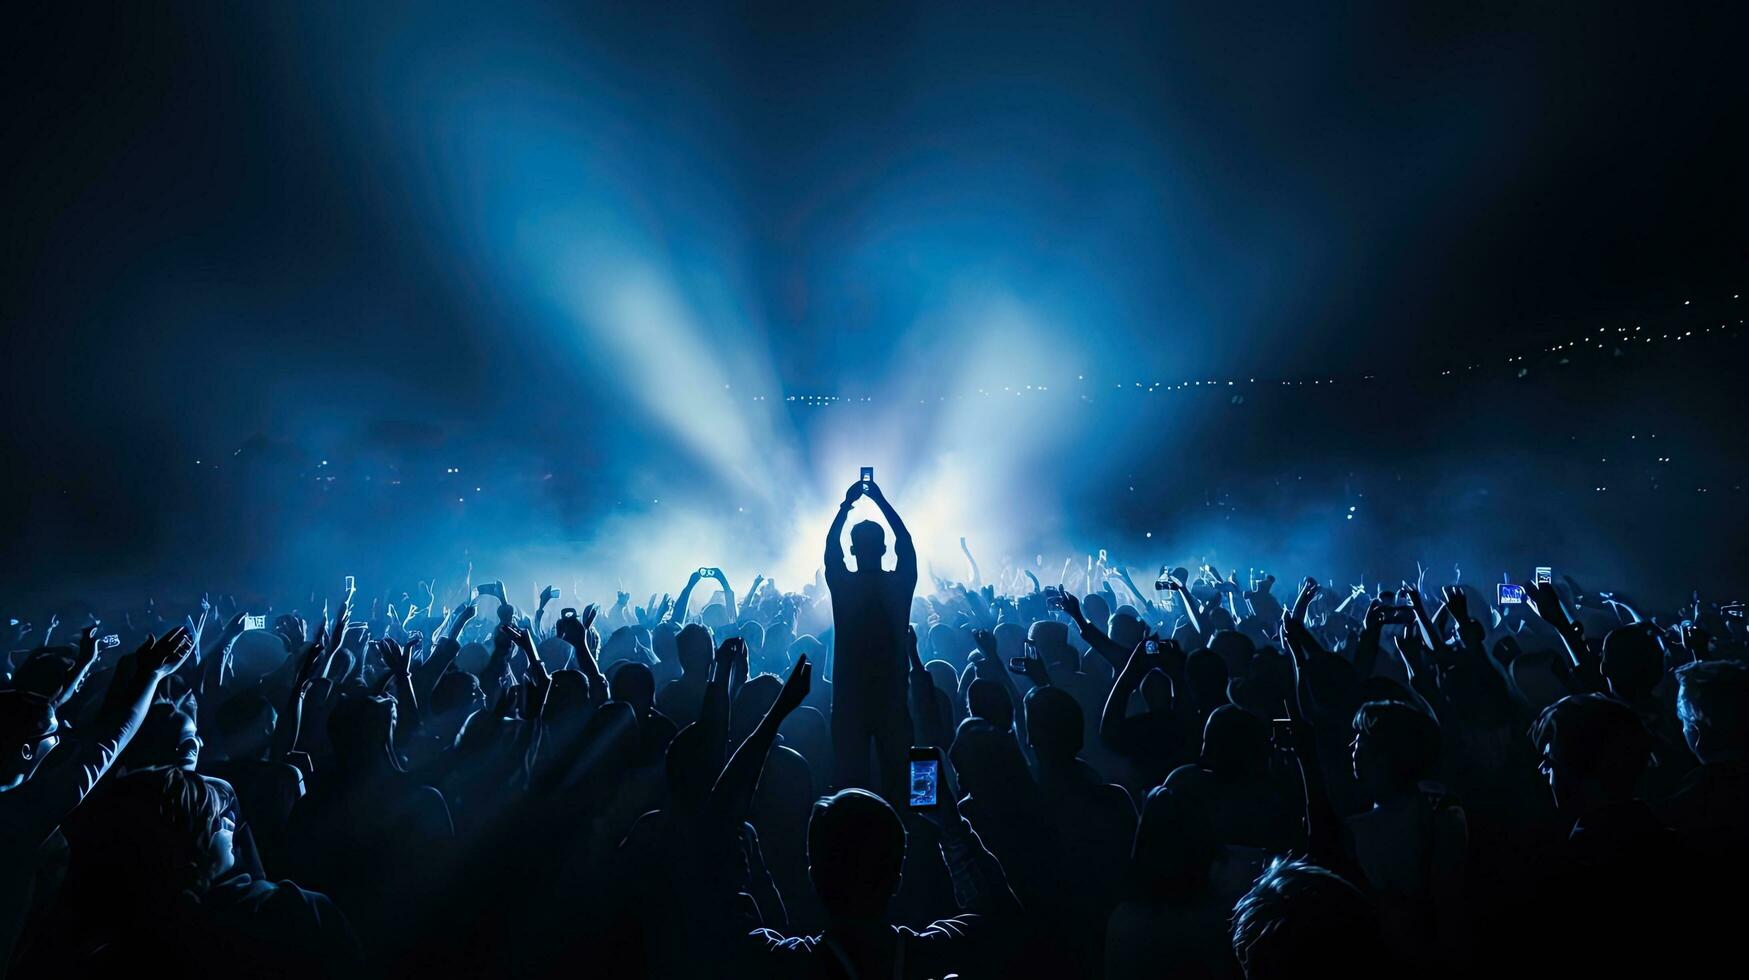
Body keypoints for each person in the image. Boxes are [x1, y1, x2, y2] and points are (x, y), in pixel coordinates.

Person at [823, 479, 917, 797]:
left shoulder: (844, 587)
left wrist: (844, 507)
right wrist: (880, 500)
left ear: (853, 550)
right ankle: (915, 840)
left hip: (850, 702)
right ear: (883, 548)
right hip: (893, 698)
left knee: (850, 791)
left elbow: (830, 548)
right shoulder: (899, 586)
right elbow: (905, 541)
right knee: (904, 786)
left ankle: (849, 844)